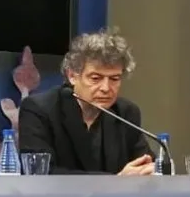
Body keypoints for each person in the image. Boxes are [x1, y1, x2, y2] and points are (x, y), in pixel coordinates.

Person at [18, 30, 153, 175]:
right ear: (72, 76)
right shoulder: (39, 109)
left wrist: (151, 171)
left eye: (114, 79)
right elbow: (41, 173)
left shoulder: (126, 113)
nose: (106, 88)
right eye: (95, 78)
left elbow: (145, 163)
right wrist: (116, 182)